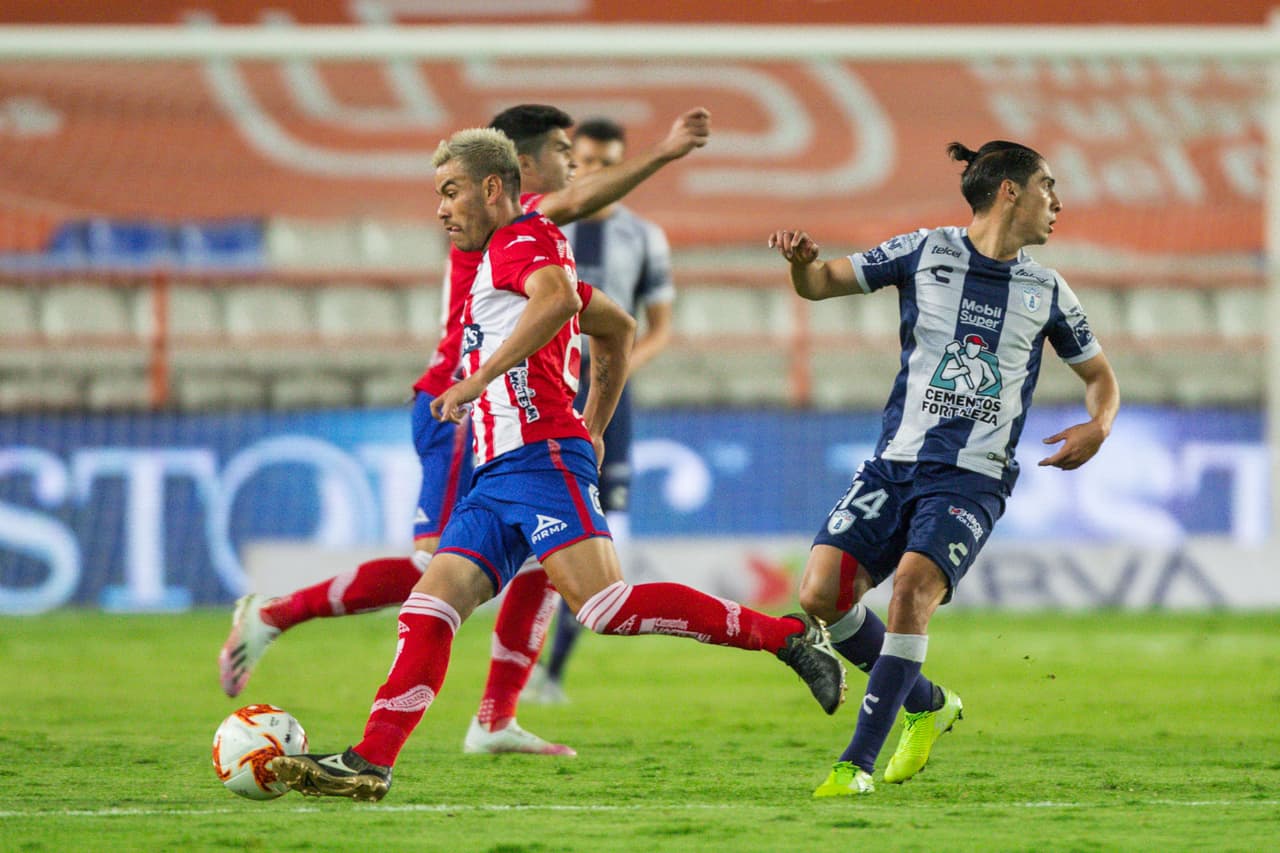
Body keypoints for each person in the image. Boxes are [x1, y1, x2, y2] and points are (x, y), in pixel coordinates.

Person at [266, 127, 846, 802]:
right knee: (430, 605)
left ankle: (789, 638)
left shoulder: (525, 239)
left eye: (451, 191)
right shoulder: (500, 259)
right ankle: (371, 760)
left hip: (541, 456)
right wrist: (596, 425)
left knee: (603, 604)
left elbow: (562, 302)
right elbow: (616, 325)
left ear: (491, 187)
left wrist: (480, 380)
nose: (441, 207)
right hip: (496, 473)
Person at [218, 104, 712, 758]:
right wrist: (665, 152)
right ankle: (277, 614)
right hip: (462, 408)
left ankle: (493, 716)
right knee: (440, 572)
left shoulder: (512, 225)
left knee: (538, 553)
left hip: (490, 405)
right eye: (564, 151)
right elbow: (585, 198)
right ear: (525, 165)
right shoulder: (507, 221)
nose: (573, 165)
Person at [767, 140, 1119, 797]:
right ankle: (926, 702)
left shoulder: (1047, 290)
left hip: (973, 477)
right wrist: (800, 266)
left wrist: (1098, 426)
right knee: (820, 593)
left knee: (911, 589)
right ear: (1009, 191)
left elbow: (1101, 377)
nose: (1058, 201)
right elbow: (822, 284)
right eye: (1047, 186)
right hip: (895, 463)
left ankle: (855, 766)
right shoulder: (923, 251)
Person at [523, 117, 676, 705]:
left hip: (608, 394)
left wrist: (617, 368)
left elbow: (659, 327)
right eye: (584, 161)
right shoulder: (538, 226)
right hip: (540, 391)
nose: (592, 172)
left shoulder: (643, 236)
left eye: (606, 163)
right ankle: (519, 670)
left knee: (601, 527)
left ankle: (552, 671)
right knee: (538, 527)